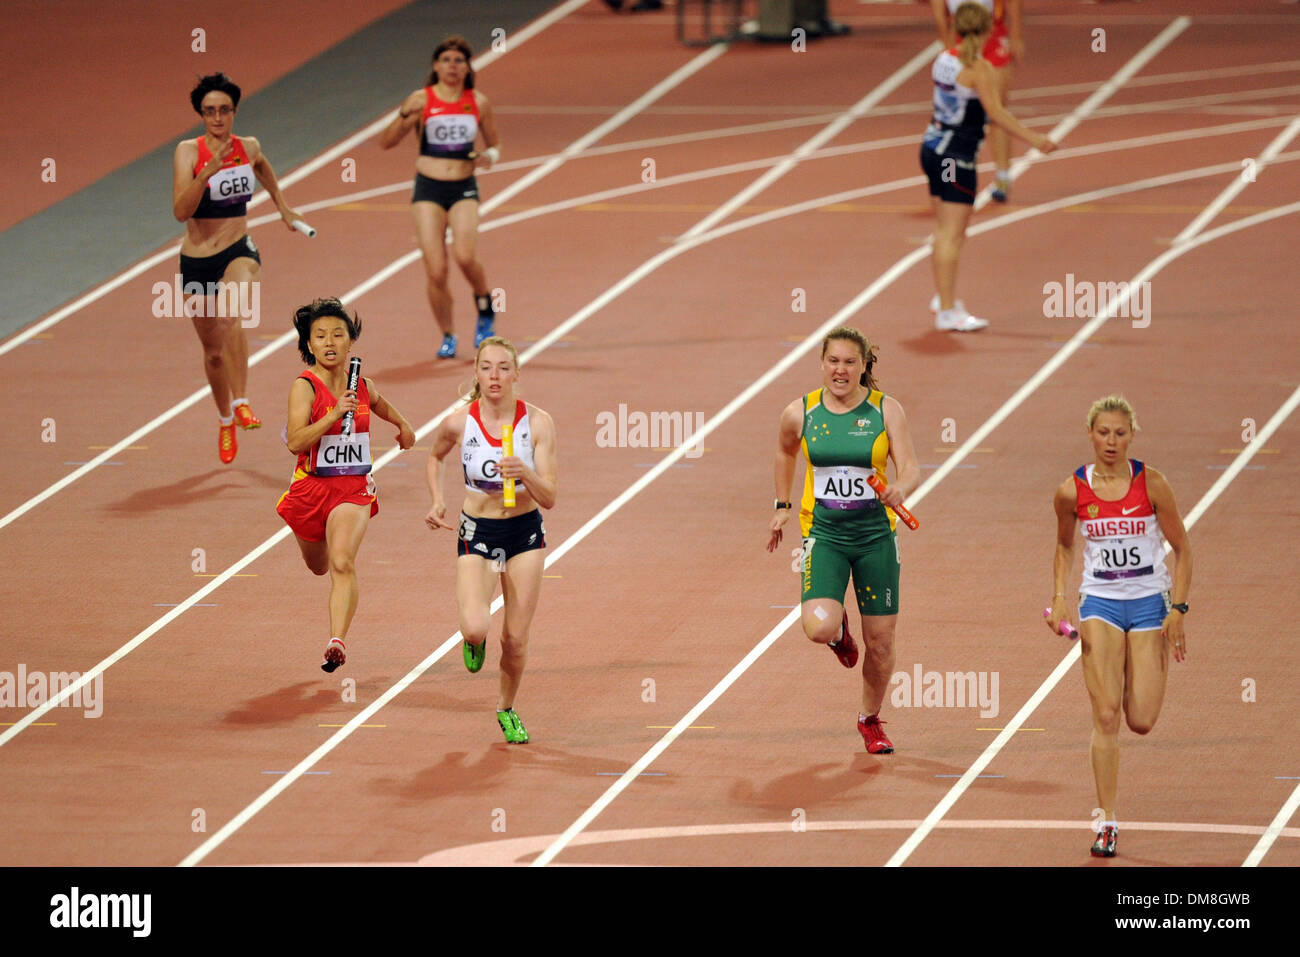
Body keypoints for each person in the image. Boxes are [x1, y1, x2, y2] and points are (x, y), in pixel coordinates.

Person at [1049, 396, 1192, 858]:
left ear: (1132, 435)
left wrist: (1179, 610)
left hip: (1151, 603)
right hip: (1101, 605)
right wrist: (1058, 597)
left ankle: (1135, 665)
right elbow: (1065, 547)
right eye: (1103, 432)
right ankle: (1107, 821)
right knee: (1106, 714)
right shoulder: (1071, 492)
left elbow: (1183, 548)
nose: (1111, 441)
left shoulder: (1152, 484)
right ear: (1090, 434)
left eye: (1120, 433)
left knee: (1141, 720)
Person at [767, 327, 920, 754]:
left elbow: (909, 465)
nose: (841, 370)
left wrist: (900, 488)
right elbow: (784, 450)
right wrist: (782, 504)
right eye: (833, 360)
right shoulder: (800, 413)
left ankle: (869, 720)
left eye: (850, 362)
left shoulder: (886, 411)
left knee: (882, 643)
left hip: (876, 538)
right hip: (825, 536)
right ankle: (839, 636)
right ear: (821, 362)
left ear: (865, 365)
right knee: (817, 626)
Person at [425, 337, 557, 743]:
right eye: (486, 368)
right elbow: (435, 457)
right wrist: (438, 501)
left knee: (515, 640)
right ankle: (472, 640)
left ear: (517, 374)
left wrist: (526, 473)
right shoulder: (458, 422)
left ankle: (506, 708)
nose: (495, 376)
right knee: (477, 627)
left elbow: (549, 497)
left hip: (524, 533)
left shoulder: (537, 423)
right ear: (476, 374)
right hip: (478, 532)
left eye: (503, 368)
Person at [172, 72, 308, 463]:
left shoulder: (247, 146)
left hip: (238, 249)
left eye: (225, 110)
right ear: (201, 114)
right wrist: (205, 174)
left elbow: (262, 166)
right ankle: (225, 418)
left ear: (234, 112)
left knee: (232, 316)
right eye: (210, 111)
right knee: (213, 353)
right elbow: (181, 211)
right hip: (197, 260)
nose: (218, 118)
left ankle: (244, 400)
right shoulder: (187, 152)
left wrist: (282, 205)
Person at [276, 298, 416, 672]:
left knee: (342, 561)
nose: (329, 341)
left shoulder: (362, 384)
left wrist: (403, 425)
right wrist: (335, 414)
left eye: (338, 334)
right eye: (319, 336)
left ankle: (337, 640)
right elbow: (294, 442)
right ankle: (319, 554)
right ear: (308, 345)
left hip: (352, 487)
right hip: (309, 488)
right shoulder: (304, 388)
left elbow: (380, 403)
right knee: (319, 565)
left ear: (350, 341)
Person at [920, 2, 1055, 332]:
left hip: (931, 148)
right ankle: (948, 312)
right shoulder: (978, 68)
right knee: (952, 234)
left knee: (944, 229)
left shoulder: (942, 59)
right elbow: (996, 114)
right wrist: (1035, 139)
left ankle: (943, 297)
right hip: (956, 157)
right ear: (984, 31)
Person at [379, 36, 502, 360]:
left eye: (459, 60)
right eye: (446, 60)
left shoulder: (479, 102)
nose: (452, 66)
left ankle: (485, 305)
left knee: (464, 255)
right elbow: (386, 142)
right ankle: (448, 335)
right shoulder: (421, 99)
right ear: (435, 66)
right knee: (435, 271)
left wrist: (487, 156)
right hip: (428, 188)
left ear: (467, 67)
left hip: (463, 187)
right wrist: (406, 113)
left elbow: (494, 146)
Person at [931, 0, 1024, 201]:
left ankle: (1002, 177)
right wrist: (949, 49)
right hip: (959, 39)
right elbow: (940, 15)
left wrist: (1016, 36)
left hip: (992, 37)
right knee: (955, 118)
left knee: (996, 112)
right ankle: (951, 178)